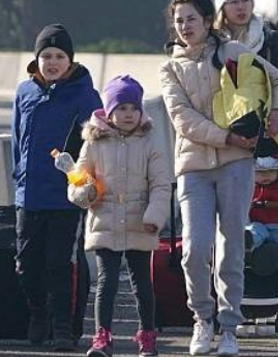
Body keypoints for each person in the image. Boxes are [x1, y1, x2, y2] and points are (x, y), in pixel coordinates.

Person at [159, 0, 278, 357]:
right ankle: (202, 319)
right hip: (194, 166)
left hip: (237, 163)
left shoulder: (233, 52)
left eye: (191, 18)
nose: (185, 26)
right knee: (195, 248)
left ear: (206, 20)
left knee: (231, 244)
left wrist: (277, 115)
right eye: (179, 21)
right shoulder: (169, 67)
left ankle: (230, 325)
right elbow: (182, 119)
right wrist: (227, 136)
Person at [12, 24, 102, 350]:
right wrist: (20, 175)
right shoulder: (25, 92)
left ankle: (64, 326)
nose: (52, 62)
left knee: (60, 265)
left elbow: (95, 148)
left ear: (70, 61)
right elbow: (18, 139)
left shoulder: (85, 95)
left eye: (59, 56)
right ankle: (38, 313)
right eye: (46, 56)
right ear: (37, 60)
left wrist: (85, 184)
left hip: (66, 196)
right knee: (26, 264)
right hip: (30, 194)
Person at [68, 75, 171, 357]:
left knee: (141, 283)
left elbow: (161, 185)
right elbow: (78, 180)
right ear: (109, 111)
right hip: (105, 219)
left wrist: (155, 215)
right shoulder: (94, 142)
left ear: (141, 112)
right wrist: (85, 194)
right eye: (121, 108)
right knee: (107, 281)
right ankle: (102, 337)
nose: (128, 114)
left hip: (141, 220)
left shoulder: (150, 142)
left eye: (133, 108)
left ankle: (147, 334)